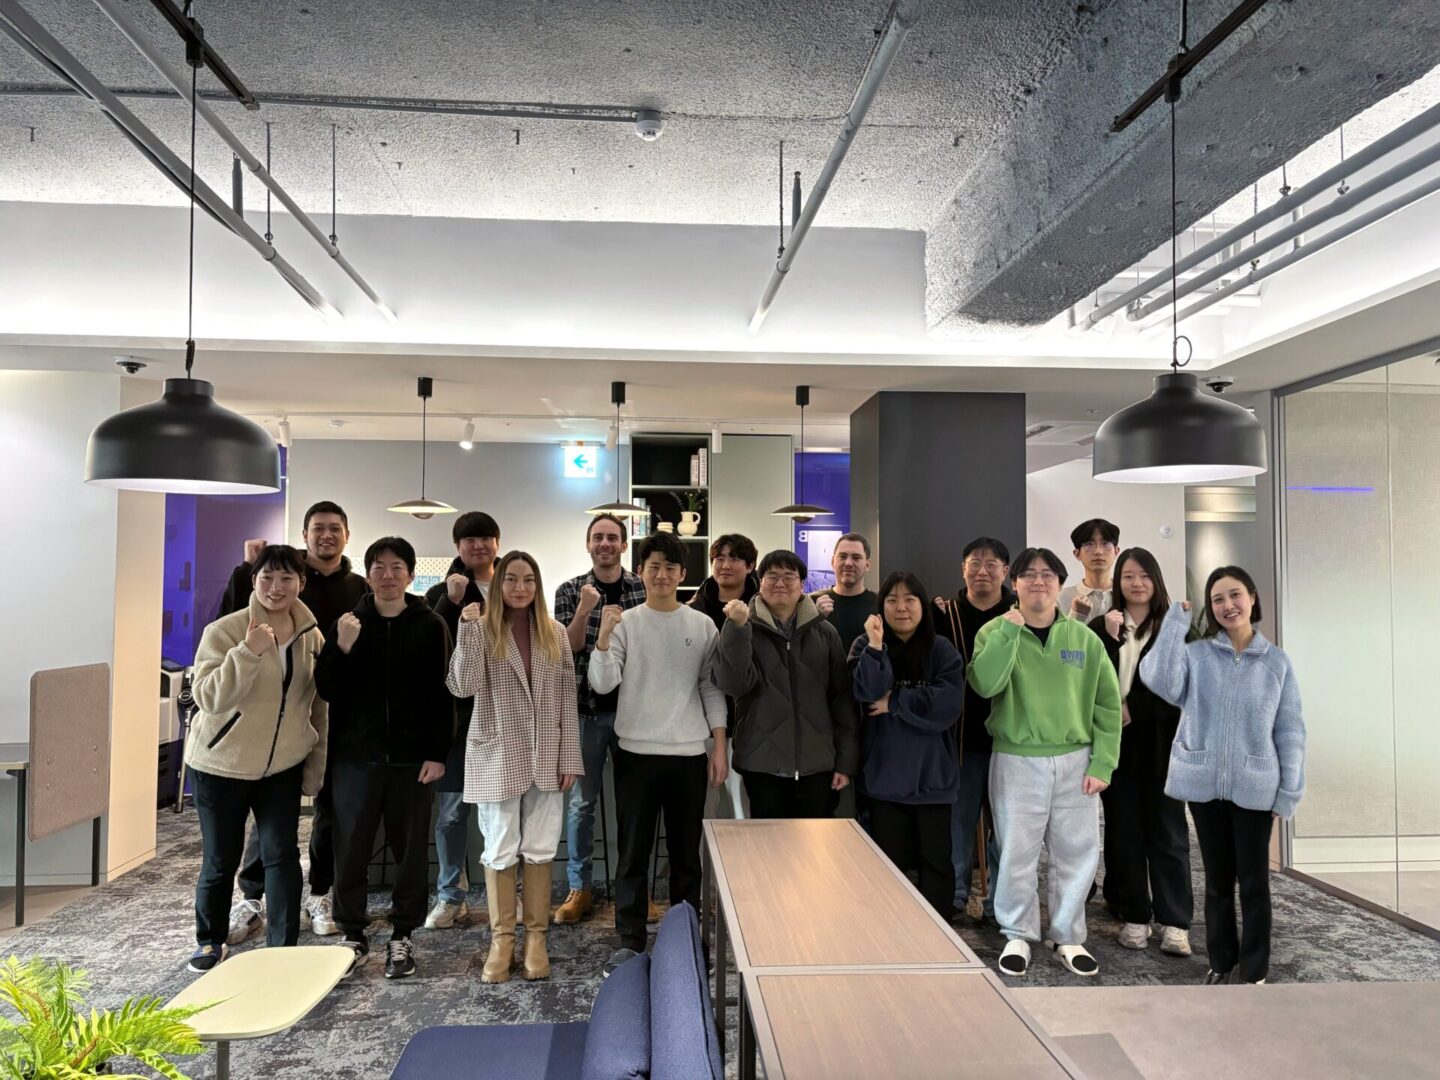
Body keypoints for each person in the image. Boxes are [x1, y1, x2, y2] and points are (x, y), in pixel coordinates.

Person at [1141, 565, 1305, 986]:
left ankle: (1254, 971)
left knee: (1253, 883)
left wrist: (1288, 793)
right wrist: (1175, 623)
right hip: (1203, 783)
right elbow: (1156, 678)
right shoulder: (1197, 656)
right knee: (1216, 881)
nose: (1228, 605)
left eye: (1235, 595)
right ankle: (1220, 963)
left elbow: (1290, 731)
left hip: (1255, 788)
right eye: (1218, 600)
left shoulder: (1276, 664)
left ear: (1251, 597)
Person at [218, 501, 367, 944]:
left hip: (335, 717)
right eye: (318, 528)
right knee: (269, 820)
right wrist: (245, 569)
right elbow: (232, 619)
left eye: (335, 529)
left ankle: (320, 892)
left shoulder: (358, 587)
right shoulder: (282, 580)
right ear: (305, 535)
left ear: (347, 536)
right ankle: (252, 898)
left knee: (330, 812)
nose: (326, 535)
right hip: (275, 722)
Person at [969, 547, 1121, 979]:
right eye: (1028, 575)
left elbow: (1107, 707)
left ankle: (1068, 936)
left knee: (1076, 852)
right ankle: (1016, 931)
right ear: (1013, 583)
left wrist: (1103, 763)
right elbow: (984, 684)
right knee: (1016, 850)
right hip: (1017, 758)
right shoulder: (995, 631)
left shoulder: (1083, 638)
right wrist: (1008, 634)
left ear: (1059, 582)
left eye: (1048, 574)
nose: (1039, 581)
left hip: (1076, 759)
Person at [589, 532, 728, 976]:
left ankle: (686, 941)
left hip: (689, 754)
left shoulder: (702, 625)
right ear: (642, 572)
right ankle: (630, 941)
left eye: (671, 567)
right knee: (633, 852)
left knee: (687, 855)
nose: (662, 575)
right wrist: (605, 638)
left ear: (683, 575)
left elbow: (710, 686)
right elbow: (603, 683)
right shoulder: (627, 622)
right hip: (635, 753)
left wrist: (719, 743)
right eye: (654, 567)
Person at [184, 545, 328, 972]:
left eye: (286, 578)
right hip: (221, 765)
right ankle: (209, 940)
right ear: (253, 582)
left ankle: (282, 946)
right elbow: (208, 698)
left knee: (281, 854)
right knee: (220, 858)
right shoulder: (225, 632)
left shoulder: (311, 637)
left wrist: (314, 766)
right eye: (267, 577)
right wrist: (247, 653)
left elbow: (317, 706)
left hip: (279, 767)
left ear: (301, 583)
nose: (276, 587)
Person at [314, 537, 453, 980]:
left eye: (397, 567)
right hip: (355, 758)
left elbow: (442, 694)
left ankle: (402, 934)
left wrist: (438, 752)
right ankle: (352, 933)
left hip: (413, 761)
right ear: (368, 573)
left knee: (410, 851)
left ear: (411, 575)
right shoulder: (350, 622)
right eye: (379, 567)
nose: (388, 575)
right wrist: (344, 646)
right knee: (350, 847)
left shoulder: (430, 625)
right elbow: (327, 688)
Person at [446, 551, 583, 984]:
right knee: (500, 845)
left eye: (528, 580)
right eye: (511, 580)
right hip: (498, 752)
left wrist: (570, 757)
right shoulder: (481, 630)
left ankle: (537, 938)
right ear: (498, 585)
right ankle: (502, 939)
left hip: (546, 752)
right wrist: (466, 631)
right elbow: (462, 687)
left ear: (537, 586)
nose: (520, 588)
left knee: (541, 846)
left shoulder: (555, 633)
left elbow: (567, 700)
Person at [1090, 547, 1194, 956]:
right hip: (1117, 742)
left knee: (1168, 832)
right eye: (1128, 576)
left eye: (1144, 576)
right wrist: (1106, 635)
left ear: (1156, 580)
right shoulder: (1105, 625)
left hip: (1163, 741)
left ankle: (1175, 922)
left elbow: (1180, 686)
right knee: (1124, 830)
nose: (1136, 583)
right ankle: (1135, 916)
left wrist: (1133, 705)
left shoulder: (1175, 626)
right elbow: (1090, 675)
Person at [551, 514, 648, 926]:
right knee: (581, 806)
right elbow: (564, 649)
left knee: (635, 806)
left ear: (624, 545)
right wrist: (587, 612)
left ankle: (634, 892)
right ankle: (580, 889)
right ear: (588, 545)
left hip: (635, 713)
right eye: (598, 538)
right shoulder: (570, 590)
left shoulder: (641, 588)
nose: (605, 543)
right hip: (584, 713)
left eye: (612, 537)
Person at [851, 571, 964, 918]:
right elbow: (867, 692)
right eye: (892, 600)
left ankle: (939, 927)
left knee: (936, 860)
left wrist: (896, 702)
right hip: (885, 777)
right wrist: (874, 645)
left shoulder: (941, 648)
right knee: (888, 860)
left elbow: (948, 702)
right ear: (880, 607)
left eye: (909, 599)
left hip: (933, 777)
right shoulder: (865, 645)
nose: (901, 608)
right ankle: (894, 925)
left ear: (922, 605)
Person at [716, 550, 860, 818]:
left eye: (788, 577)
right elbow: (734, 685)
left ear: (802, 585)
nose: (780, 583)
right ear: (760, 582)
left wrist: (844, 762)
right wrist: (736, 630)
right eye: (772, 576)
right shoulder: (741, 626)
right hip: (762, 765)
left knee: (817, 853)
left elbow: (842, 700)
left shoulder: (825, 632)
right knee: (768, 851)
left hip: (818, 767)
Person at [423, 510, 501, 930]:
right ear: (457, 547)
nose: (478, 546)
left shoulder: (512, 588)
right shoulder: (443, 591)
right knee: (452, 813)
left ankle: (501, 894)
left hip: (501, 718)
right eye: (469, 540)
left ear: (497, 543)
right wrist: (450, 602)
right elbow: (430, 648)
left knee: (499, 814)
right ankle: (451, 894)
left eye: (485, 538)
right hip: (455, 721)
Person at [934, 536, 1014, 920]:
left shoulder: (1021, 612)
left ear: (1005, 571)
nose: (982, 570)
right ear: (962, 568)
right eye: (974, 563)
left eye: (991, 564)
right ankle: (957, 893)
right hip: (960, 738)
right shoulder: (942, 613)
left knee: (1007, 828)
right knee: (958, 824)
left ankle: (1000, 901)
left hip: (1011, 741)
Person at [689, 533, 759, 819]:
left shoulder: (763, 608)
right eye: (719, 558)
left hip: (751, 724)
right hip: (702, 724)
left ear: (750, 566)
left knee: (744, 811)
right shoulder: (694, 610)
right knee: (703, 809)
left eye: (734, 558)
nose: (725, 565)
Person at [812, 533, 877, 653]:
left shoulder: (880, 604)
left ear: (867, 565)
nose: (848, 563)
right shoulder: (811, 603)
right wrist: (814, 619)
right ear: (833, 562)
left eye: (856, 558)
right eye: (842, 556)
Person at [1057, 518, 1120, 623]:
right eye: (1089, 544)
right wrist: (1076, 614)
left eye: (1106, 543)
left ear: (1116, 552)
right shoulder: (1061, 597)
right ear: (1077, 554)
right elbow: (1056, 639)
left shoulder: (1127, 595)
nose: (1098, 551)